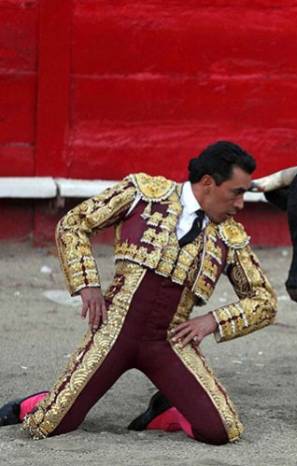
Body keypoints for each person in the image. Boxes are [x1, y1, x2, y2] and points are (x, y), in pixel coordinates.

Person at [0, 141, 277, 444]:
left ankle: (163, 413)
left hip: (170, 341)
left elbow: (264, 301)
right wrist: (87, 284)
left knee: (222, 431)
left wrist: (212, 320)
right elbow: (74, 224)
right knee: (47, 425)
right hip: (114, 330)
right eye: (236, 192)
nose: (241, 205)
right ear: (208, 183)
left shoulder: (230, 235)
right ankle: (29, 404)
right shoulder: (143, 194)